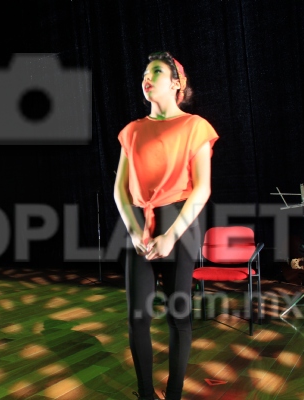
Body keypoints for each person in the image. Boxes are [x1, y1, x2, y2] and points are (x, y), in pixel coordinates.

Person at [113, 51, 219, 400]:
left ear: (177, 83)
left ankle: (173, 394)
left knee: (178, 316)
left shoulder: (195, 126)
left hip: (179, 221)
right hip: (138, 224)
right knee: (137, 317)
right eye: (145, 72)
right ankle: (146, 394)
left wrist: (171, 235)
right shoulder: (131, 131)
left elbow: (202, 188)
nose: (147, 77)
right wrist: (133, 230)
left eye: (156, 71)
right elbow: (119, 189)